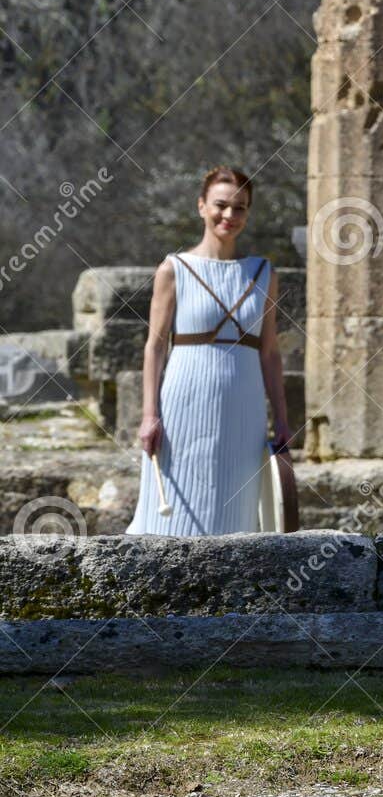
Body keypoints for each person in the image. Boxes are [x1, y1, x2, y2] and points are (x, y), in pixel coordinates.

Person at [126, 166, 291, 535]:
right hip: (183, 403)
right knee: (170, 520)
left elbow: (269, 352)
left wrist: (281, 418)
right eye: (221, 205)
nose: (229, 216)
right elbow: (154, 346)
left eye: (240, 208)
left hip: (244, 408)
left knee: (236, 517)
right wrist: (149, 414)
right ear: (202, 206)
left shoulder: (263, 273)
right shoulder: (174, 268)